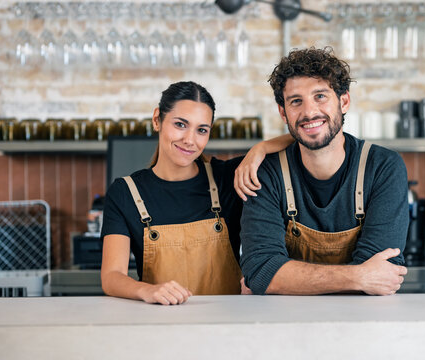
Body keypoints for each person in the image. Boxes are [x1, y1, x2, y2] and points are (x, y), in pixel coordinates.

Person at [101, 81, 293, 305]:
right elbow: (111, 277)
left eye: (201, 130)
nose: (190, 140)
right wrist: (147, 291)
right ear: (157, 120)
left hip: (227, 323)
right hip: (163, 323)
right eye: (181, 124)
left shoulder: (228, 178)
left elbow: (301, 137)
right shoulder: (125, 192)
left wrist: (260, 149)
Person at [240, 47, 409, 296]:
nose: (309, 112)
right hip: (284, 325)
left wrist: (286, 279)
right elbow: (261, 271)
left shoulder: (383, 167)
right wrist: (360, 276)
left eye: (320, 96)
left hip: (364, 323)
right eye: (296, 101)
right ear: (283, 112)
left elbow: (382, 271)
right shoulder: (266, 173)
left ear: (344, 101)